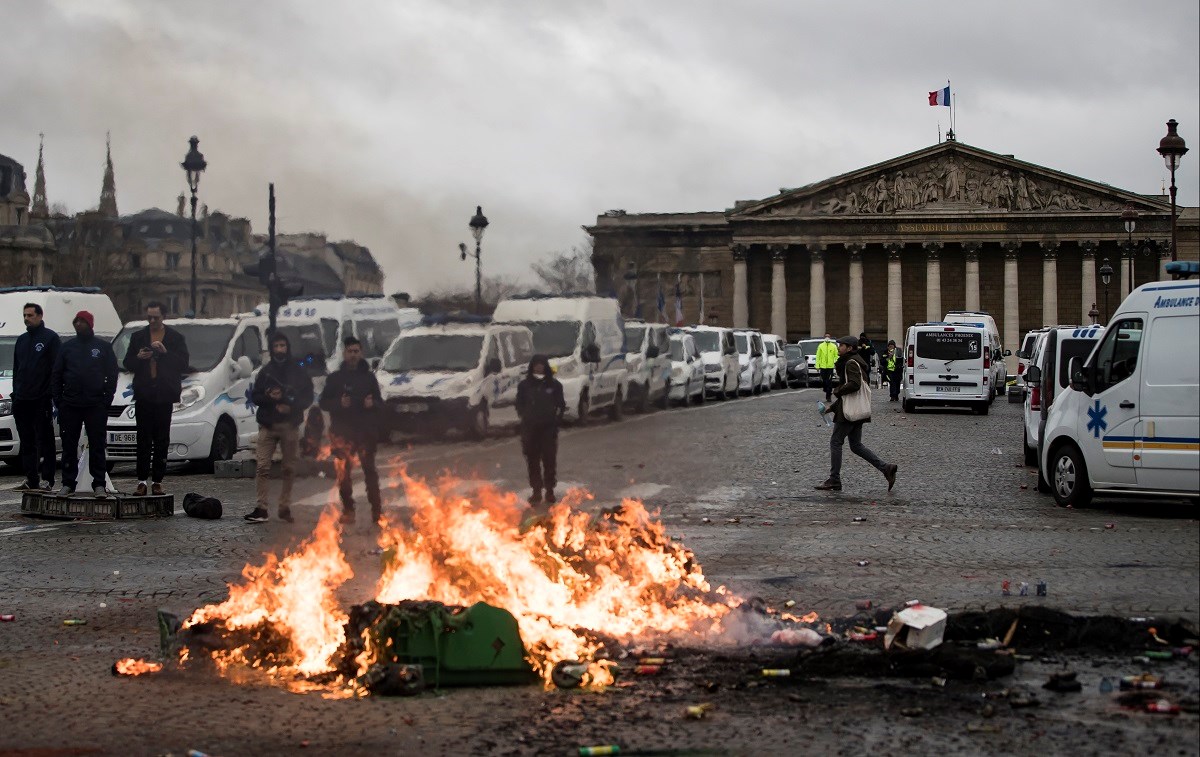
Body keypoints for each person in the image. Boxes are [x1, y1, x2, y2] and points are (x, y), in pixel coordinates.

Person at [245, 332, 313, 523]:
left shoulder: (297, 372)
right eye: (276, 346)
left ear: (287, 347)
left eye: (283, 346)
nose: (280, 350)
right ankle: (261, 507)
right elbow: (255, 396)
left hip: (289, 426)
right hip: (268, 425)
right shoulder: (265, 372)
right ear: (272, 349)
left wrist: (291, 406)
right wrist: (270, 399)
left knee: (289, 468)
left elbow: (307, 396)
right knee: (262, 466)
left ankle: (284, 506)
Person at [122, 301, 189, 496]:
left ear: (163, 317)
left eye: (156, 317)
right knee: (143, 439)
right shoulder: (138, 337)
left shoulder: (175, 338)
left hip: (164, 394)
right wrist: (139, 357)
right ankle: (142, 481)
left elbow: (183, 364)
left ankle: (158, 481)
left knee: (161, 439)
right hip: (144, 394)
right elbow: (128, 363)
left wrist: (165, 352)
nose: (152, 321)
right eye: (149, 317)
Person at [816, 335, 897, 493]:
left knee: (836, 442)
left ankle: (834, 479)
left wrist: (837, 390)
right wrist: (831, 408)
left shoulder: (850, 363)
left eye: (841, 345)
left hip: (849, 412)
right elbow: (852, 393)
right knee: (856, 446)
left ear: (850, 348)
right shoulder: (856, 361)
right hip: (856, 409)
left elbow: (854, 385)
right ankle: (886, 468)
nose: (838, 348)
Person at [51, 311, 118, 498]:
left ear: (90, 324)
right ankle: (67, 483)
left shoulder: (102, 347)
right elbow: (56, 375)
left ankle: (98, 484)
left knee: (97, 444)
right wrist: (59, 401)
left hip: (95, 404)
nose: (79, 324)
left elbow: (112, 375)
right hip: (70, 405)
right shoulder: (67, 348)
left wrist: (106, 400)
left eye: (82, 321)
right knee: (69, 445)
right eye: (76, 321)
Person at [319, 337, 382, 525]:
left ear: (361, 353)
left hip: (365, 433)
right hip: (342, 434)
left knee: (369, 472)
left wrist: (372, 404)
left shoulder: (369, 377)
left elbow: (380, 403)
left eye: (356, 351)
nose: (353, 355)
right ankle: (348, 509)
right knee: (343, 474)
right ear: (345, 353)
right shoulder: (335, 378)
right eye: (350, 351)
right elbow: (323, 402)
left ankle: (376, 511)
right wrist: (339, 403)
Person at [11, 303, 61, 492]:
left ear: (40, 316)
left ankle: (47, 479)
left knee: (45, 440)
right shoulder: (22, 340)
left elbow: (56, 369)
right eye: (24, 315)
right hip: (22, 399)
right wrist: (16, 393)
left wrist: (49, 393)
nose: (26, 318)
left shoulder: (50, 338)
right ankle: (31, 479)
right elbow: (17, 369)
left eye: (30, 315)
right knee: (27, 441)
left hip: (41, 399)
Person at [516, 353, 566, 506]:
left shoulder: (554, 385)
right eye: (536, 364)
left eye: (541, 364)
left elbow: (561, 405)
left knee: (549, 460)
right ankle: (536, 491)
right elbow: (519, 404)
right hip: (530, 430)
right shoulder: (525, 385)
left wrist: (555, 421)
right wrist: (525, 417)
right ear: (532, 367)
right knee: (532, 460)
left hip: (548, 430)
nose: (539, 367)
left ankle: (549, 490)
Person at [815, 333, 838, 402]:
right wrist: (817, 366)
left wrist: (836, 363)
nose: (827, 337)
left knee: (829, 382)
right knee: (824, 381)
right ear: (824, 337)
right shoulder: (821, 346)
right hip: (823, 367)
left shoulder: (833, 346)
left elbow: (836, 356)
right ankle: (825, 389)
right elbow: (818, 356)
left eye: (828, 336)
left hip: (830, 367)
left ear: (830, 337)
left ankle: (828, 395)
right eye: (826, 336)